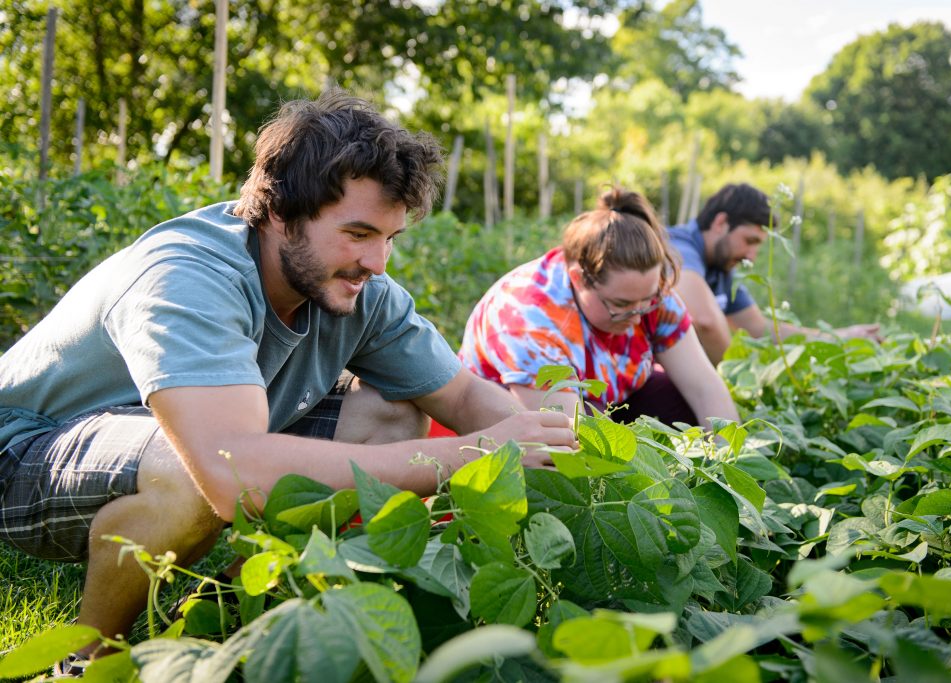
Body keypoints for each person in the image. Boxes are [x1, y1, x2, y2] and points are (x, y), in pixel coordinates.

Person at [0, 89, 576, 665]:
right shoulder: (187, 274)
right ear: (280, 211)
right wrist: (473, 457)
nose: (378, 263)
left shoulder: (358, 290)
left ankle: (210, 633)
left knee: (394, 411)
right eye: (357, 234)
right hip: (24, 447)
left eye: (389, 238)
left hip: (176, 440)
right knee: (202, 470)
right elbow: (233, 476)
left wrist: (573, 457)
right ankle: (88, 664)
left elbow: (465, 396)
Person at [460, 187, 739, 430]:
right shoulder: (529, 320)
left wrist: (729, 466)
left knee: (683, 404)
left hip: (606, 400)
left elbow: (705, 390)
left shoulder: (649, 297)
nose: (637, 315)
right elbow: (568, 438)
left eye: (648, 301)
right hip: (509, 420)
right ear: (578, 279)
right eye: (621, 305)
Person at [668, 183, 883, 366]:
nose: (751, 257)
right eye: (749, 241)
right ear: (720, 223)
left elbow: (760, 328)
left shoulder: (721, 268)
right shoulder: (677, 248)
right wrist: (735, 384)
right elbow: (705, 321)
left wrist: (840, 337)